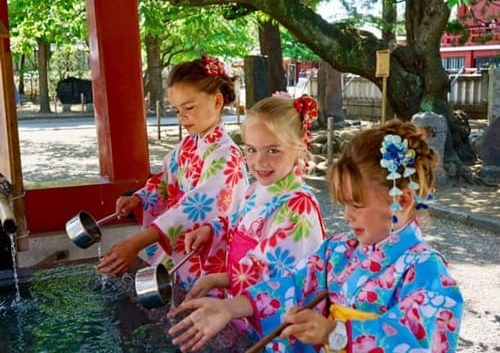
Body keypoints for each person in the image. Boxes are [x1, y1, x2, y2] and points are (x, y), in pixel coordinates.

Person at [167, 119, 464, 352]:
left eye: (356, 205)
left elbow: (422, 345)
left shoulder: (426, 271)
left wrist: (335, 334)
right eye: (344, 204)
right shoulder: (339, 250)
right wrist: (230, 307)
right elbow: (292, 287)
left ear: (402, 200)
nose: (347, 216)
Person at [97, 55, 249, 296]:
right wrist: (138, 198)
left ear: (217, 101)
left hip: (210, 256)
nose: (182, 117)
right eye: (177, 110)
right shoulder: (189, 145)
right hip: (187, 251)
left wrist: (137, 243)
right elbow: (165, 181)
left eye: (189, 108)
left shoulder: (226, 155)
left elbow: (193, 207)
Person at [182, 96, 326, 333]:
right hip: (244, 305)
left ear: (299, 145)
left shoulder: (299, 207)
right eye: (251, 150)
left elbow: (278, 276)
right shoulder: (256, 189)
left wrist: (218, 280)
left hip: (276, 320)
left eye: (273, 150)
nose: (260, 162)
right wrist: (212, 230)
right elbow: (239, 222)